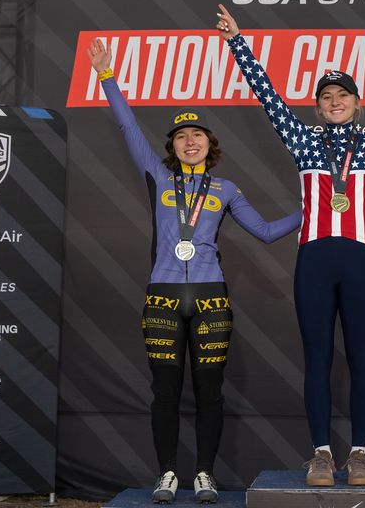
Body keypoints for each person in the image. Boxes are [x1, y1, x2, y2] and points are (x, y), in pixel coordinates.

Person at [214, 3, 365, 486]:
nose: (335, 100)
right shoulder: (303, 141)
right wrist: (236, 42)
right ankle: (322, 453)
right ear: (318, 106)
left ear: (357, 102)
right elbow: (268, 99)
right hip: (314, 260)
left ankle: (360, 455)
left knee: (363, 357)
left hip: (361, 259)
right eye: (326, 96)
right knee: (318, 357)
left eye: (343, 94)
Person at [86, 39, 300, 504]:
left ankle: (204, 472)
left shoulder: (225, 188)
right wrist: (106, 76)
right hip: (162, 294)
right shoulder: (158, 178)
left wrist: (312, 213)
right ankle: (167, 473)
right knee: (165, 391)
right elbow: (127, 127)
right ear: (171, 147)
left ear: (210, 145)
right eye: (181, 135)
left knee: (209, 391)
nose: (189, 140)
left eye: (197, 134)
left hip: (210, 297)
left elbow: (264, 231)